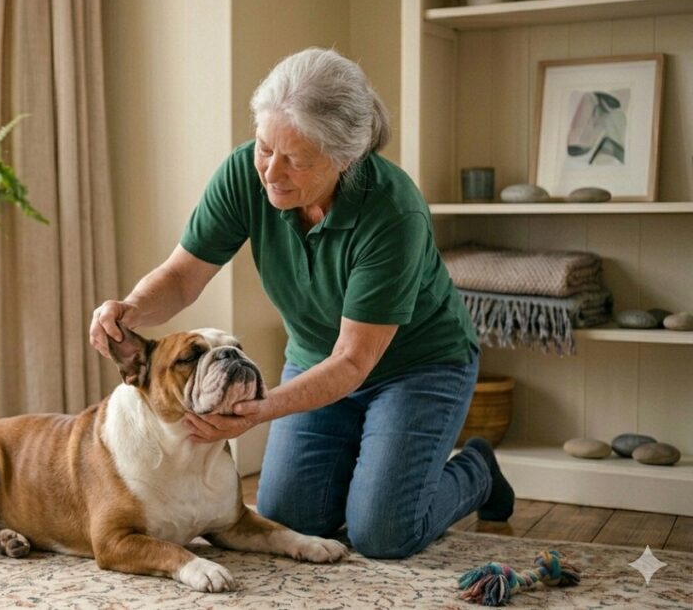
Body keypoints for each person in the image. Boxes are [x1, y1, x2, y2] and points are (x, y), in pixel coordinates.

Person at [89, 47, 514, 559]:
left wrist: (258, 410)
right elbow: (182, 277)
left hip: (417, 367)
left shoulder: (393, 213)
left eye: (296, 160)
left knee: (382, 534)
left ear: (344, 159)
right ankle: (375, 471)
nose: (271, 171)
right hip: (316, 358)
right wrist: (129, 310)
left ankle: (477, 471)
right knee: (291, 518)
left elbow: (354, 360)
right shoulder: (243, 176)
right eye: (265, 147)